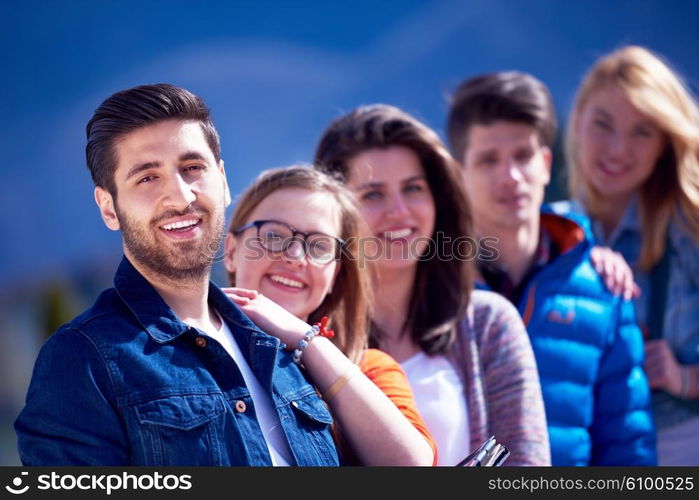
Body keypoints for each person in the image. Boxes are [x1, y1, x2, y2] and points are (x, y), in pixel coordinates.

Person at [14, 84, 341, 466]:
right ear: (108, 207)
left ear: (222, 180)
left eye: (192, 169)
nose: (181, 197)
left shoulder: (275, 347)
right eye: (147, 178)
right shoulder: (82, 359)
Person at [314, 104, 551, 466]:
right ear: (332, 211)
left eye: (413, 188)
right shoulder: (303, 338)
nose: (400, 211)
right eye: (373, 194)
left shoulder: (488, 324)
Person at [446, 70, 656, 465]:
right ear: (459, 174)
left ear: (545, 163)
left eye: (523, 156)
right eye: (489, 160)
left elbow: (628, 446)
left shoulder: (604, 288)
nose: (510, 177)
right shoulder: (427, 287)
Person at [222, 165, 436, 465]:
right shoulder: (174, 349)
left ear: (335, 273)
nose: (295, 257)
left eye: (319, 246)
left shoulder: (369, 369)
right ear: (231, 251)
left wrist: (306, 341)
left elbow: (413, 467)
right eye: (273, 235)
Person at [563, 46, 699, 465]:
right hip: (591, 452)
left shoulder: (688, 227)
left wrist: (685, 378)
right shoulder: (554, 233)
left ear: (664, 143)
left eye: (642, 131)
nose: (618, 149)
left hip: (681, 445)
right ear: (578, 124)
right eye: (603, 125)